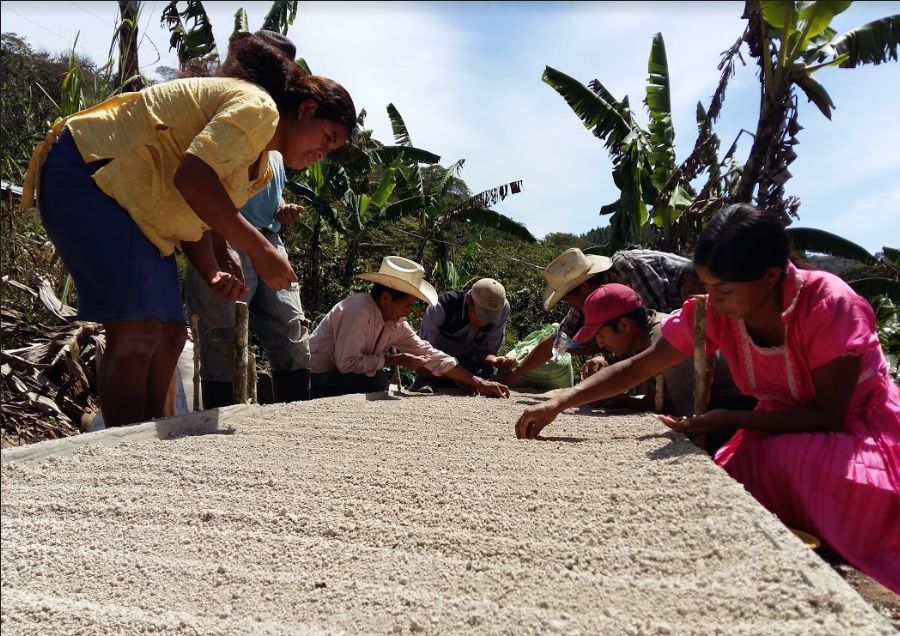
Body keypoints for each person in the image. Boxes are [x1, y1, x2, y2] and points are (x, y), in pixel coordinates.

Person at [513, 204, 900, 593]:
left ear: (769, 277)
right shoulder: (718, 311)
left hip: (855, 428)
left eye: (723, 289)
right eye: (708, 286)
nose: (712, 299)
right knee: (719, 488)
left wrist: (728, 418)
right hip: (776, 424)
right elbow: (639, 367)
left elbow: (829, 415)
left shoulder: (828, 304)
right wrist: (560, 402)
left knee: (786, 463)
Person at [22, 30, 356, 426]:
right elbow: (193, 180)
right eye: (326, 138)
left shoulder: (263, 170)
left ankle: (155, 447)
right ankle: (124, 453)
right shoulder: (259, 108)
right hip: (91, 172)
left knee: (169, 338)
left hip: (140, 207)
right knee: (139, 334)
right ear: (305, 110)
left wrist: (214, 264)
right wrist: (259, 249)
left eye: (330, 151)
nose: (321, 153)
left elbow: (197, 217)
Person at [184, 31, 312, 408]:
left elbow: (265, 187)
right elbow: (205, 182)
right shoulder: (240, 110)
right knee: (220, 331)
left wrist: (282, 208)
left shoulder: (276, 138)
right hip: (224, 233)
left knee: (291, 327)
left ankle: (295, 416)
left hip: (270, 240)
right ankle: (215, 418)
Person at [308, 256, 511, 400]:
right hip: (316, 377)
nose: (409, 312)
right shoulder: (359, 309)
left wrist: (477, 382)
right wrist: (397, 359)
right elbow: (347, 364)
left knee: (376, 381)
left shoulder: (395, 323)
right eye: (408, 305)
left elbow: (428, 352)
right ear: (386, 298)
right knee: (375, 381)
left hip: (340, 378)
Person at [497, 247, 690, 387]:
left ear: (584, 289)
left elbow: (655, 332)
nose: (569, 307)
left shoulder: (630, 271)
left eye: (567, 301)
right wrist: (515, 373)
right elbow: (560, 341)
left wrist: (607, 360)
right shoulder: (589, 300)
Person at [411, 278, 516, 393]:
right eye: (480, 314)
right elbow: (425, 355)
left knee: (485, 372)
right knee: (426, 369)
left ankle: (466, 381)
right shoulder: (441, 306)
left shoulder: (502, 308)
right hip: (437, 366)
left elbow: (485, 351)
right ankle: (431, 383)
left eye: (489, 318)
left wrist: (495, 360)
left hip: (471, 367)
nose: (484, 322)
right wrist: (458, 375)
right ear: (468, 299)